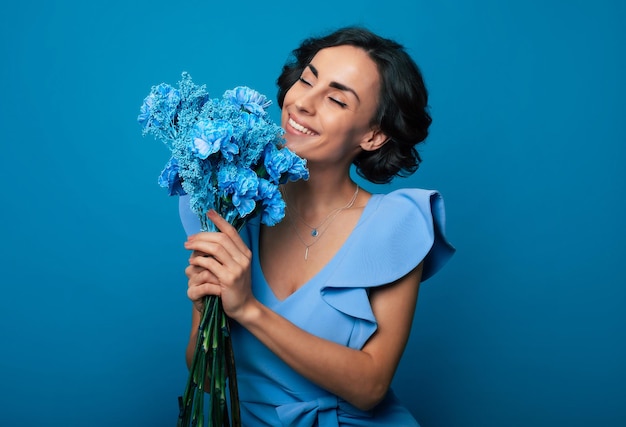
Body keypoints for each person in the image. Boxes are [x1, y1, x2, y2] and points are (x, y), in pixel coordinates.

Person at [179, 26, 455, 426]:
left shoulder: (395, 227)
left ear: (374, 135)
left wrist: (249, 310)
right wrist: (206, 311)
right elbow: (203, 377)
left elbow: (370, 387)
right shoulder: (227, 205)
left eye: (336, 100)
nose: (303, 104)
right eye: (307, 80)